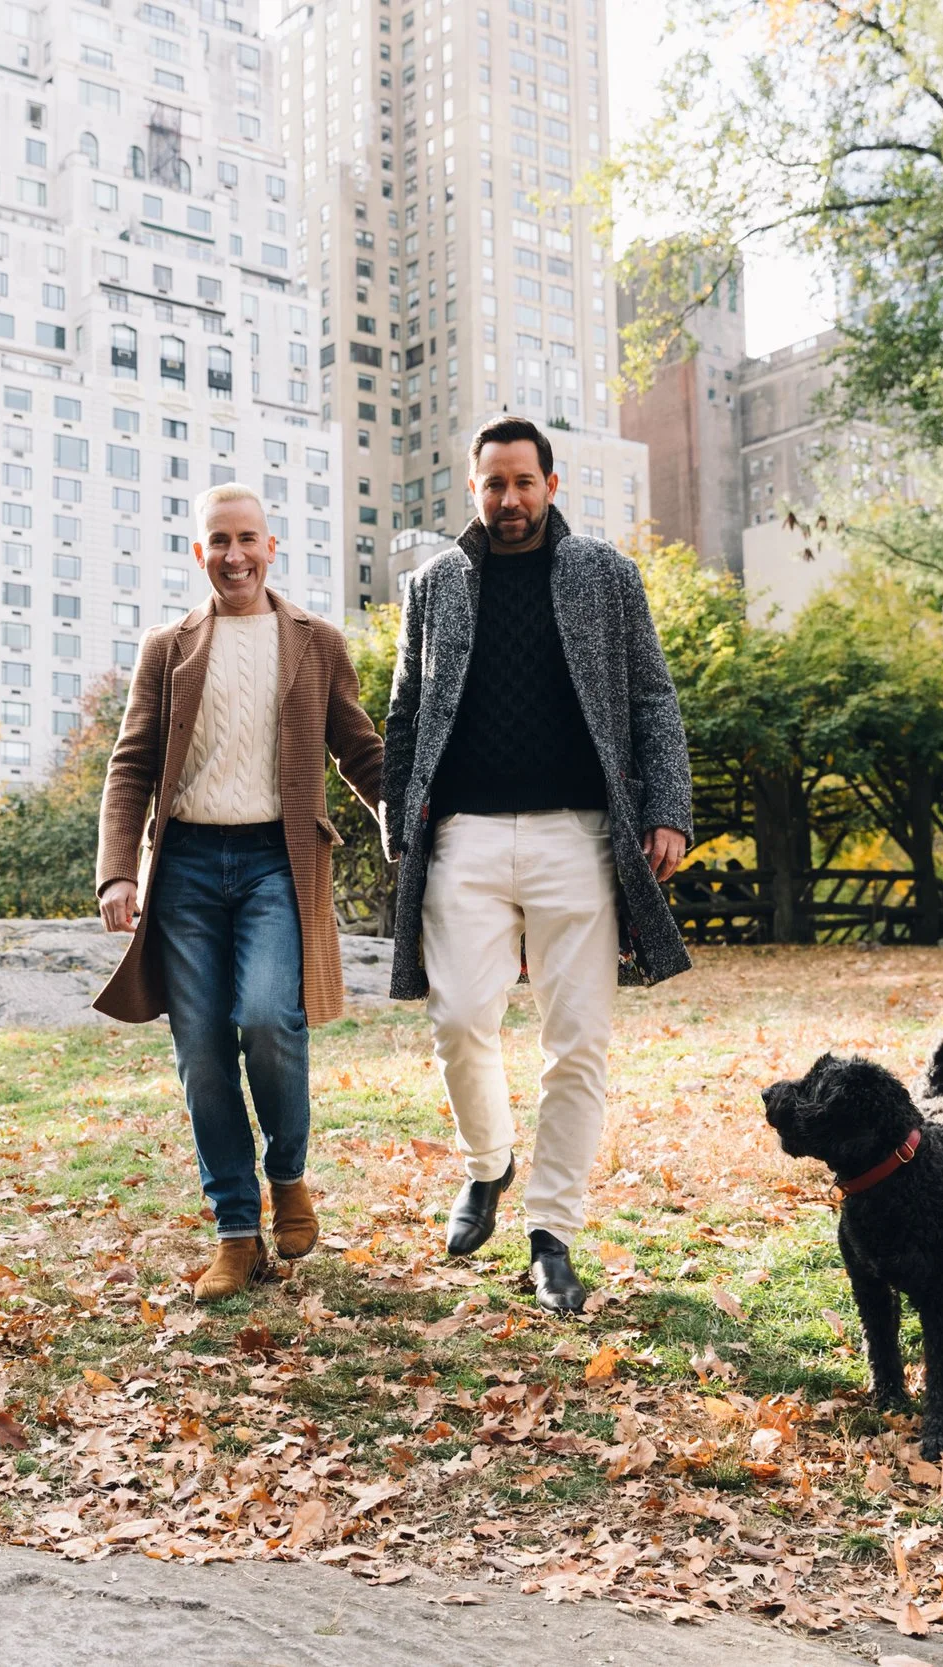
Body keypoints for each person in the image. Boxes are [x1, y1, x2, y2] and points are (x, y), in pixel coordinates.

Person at [380, 416, 694, 1315]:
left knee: (578, 1040)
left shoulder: (606, 574)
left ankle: (552, 1232)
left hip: (579, 835)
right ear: (472, 490)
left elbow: (651, 697)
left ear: (551, 484)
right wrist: (401, 817)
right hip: (465, 838)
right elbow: (404, 717)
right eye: (492, 484)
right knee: (460, 1017)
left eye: (523, 482)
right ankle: (488, 1164)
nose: (508, 500)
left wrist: (668, 809)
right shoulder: (433, 586)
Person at [93, 482, 385, 1300]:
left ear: (271, 545)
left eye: (247, 538)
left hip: (273, 862)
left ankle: (287, 1173)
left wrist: (414, 816)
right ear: (199, 553)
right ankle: (234, 1231)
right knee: (203, 1057)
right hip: (184, 864)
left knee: (267, 1016)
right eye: (218, 541)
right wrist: (119, 868)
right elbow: (132, 763)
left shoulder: (315, 642)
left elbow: (360, 752)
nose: (234, 555)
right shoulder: (168, 647)